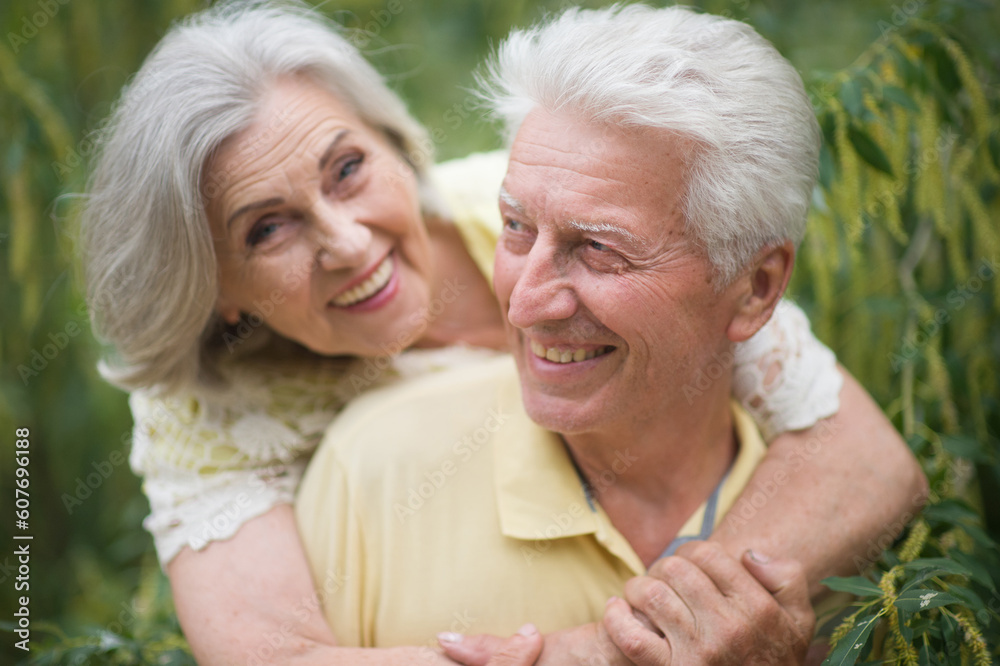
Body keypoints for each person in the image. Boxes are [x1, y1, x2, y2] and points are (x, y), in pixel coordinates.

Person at [76, 1, 926, 664]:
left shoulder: (533, 200)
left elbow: (861, 457)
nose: (347, 241)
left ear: (395, 142)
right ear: (216, 288)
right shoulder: (202, 407)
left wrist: (680, 622)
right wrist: (604, 652)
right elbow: (275, 657)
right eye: (266, 229)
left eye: (348, 168)